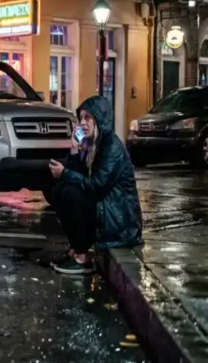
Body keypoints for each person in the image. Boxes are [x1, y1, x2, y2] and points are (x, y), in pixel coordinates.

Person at [48, 96, 143, 275]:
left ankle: (82, 257)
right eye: (80, 118)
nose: (83, 123)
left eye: (88, 118)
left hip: (120, 221)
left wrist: (65, 173)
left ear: (100, 119)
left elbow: (97, 186)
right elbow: (79, 178)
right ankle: (76, 250)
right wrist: (75, 149)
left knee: (69, 193)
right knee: (59, 191)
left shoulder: (112, 147)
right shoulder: (91, 144)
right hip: (104, 209)